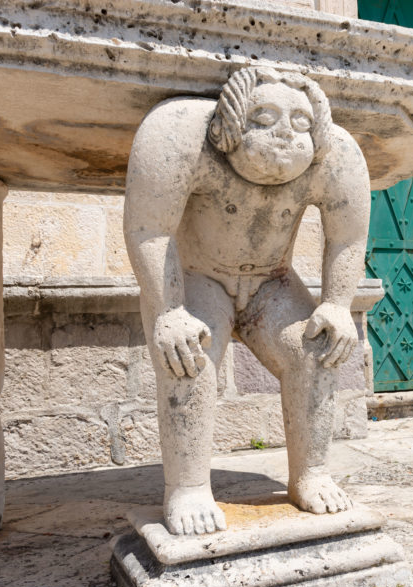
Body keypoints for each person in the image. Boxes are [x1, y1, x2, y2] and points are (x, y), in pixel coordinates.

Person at [124, 67, 370, 536]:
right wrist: (168, 310)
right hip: (198, 276)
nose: (283, 131)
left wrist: (337, 304)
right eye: (264, 115)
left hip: (271, 280)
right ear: (233, 120)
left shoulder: (336, 153)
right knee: (189, 354)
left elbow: (348, 238)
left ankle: (311, 473)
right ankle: (188, 487)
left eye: (300, 122)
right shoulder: (181, 133)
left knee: (315, 350)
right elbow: (148, 229)